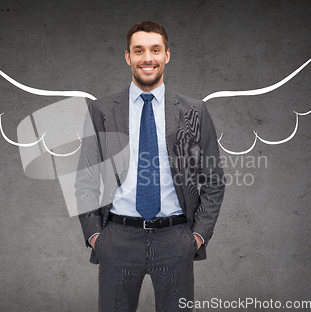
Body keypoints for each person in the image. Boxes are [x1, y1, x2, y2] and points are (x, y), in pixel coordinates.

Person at [75, 21, 225, 312]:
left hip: (175, 238)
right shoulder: (103, 110)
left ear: (167, 55)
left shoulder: (193, 111)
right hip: (117, 238)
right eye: (139, 50)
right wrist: (96, 237)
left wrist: (197, 236)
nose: (148, 58)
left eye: (155, 50)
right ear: (128, 57)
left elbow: (214, 180)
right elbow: (86, 179)